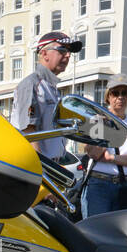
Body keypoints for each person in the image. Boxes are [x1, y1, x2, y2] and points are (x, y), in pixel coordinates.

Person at [81, 74, 127, 218]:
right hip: (98, 185)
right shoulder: (96, 120)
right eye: (115, 93)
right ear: (108, 96)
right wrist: (107, 126)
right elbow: (93, 153)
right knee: (95, 232)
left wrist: (112, 158)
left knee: (121, 234)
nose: (120, 97)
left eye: (125, 93)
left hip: (125, 186)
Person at [11, 31, 84, 161]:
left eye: (69, 52)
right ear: (44, 54)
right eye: (62, 50)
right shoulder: (31, 84)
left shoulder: (52, 88)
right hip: (36, 167)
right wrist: (43, 170)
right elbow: (28, 132)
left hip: (51, 164)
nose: (68, 55)